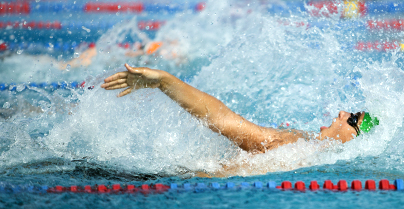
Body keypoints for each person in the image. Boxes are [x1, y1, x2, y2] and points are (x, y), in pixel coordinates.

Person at [101, 64, 379, 153]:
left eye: (352, 117)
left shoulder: (297, 147)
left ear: (353, 137)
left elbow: (225, 121)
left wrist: (165, 81)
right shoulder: (304, 144)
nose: (343, 112)